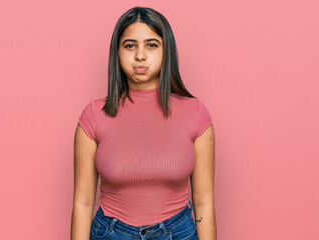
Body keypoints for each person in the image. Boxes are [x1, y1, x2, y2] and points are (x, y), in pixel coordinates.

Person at [71, 6, 216, 240]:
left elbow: (204, 202)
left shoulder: (196, 113)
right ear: (117, 52)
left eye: (151, 45)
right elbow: (83, 202)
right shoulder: (93, 115)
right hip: (111, 233)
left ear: (166, 50)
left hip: (177, 232)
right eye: (130, 45)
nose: (140, 55)